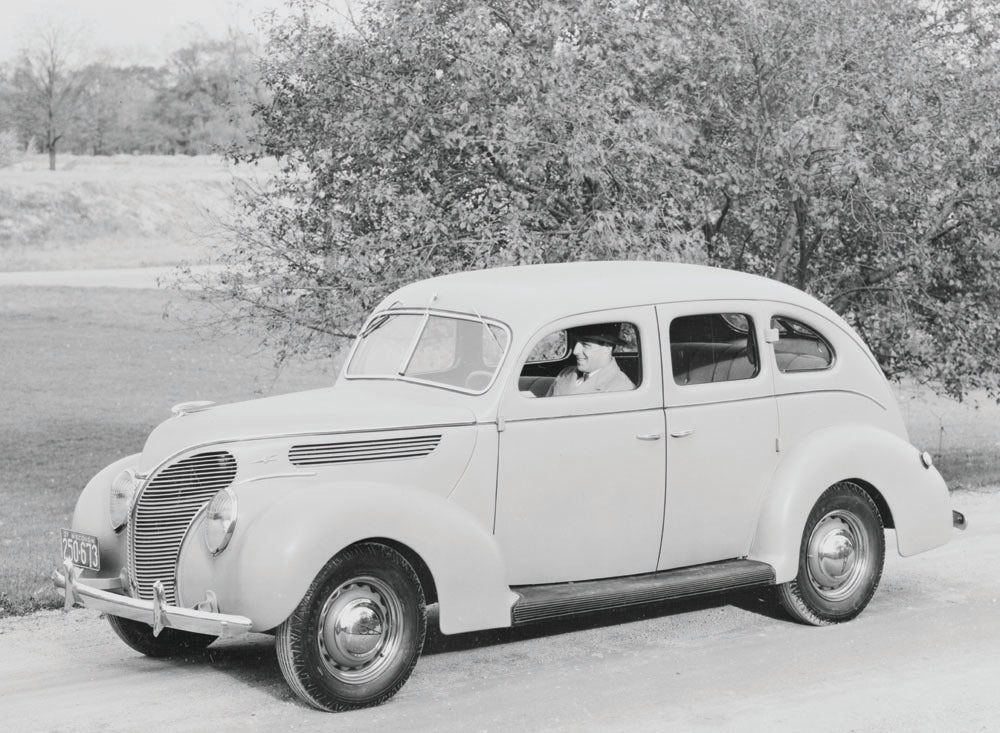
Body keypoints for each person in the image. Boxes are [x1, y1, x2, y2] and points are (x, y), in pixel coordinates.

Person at [546, 324, 635, 396]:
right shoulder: (565, 373)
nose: (575, 351)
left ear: (607, 348)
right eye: (576, 342)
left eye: (585, 345)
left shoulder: (622, 388)